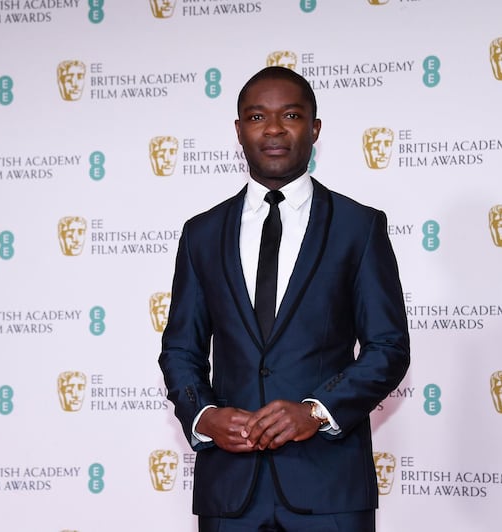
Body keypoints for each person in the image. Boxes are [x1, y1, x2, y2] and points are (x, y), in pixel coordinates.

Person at [158, 66, 410, 531]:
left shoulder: (359, 227)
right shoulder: (202, 234)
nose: (273, 128)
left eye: (290, 114)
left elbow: (389, 348)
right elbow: (180, 351)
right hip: (229, 493)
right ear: (239, 131)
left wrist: (315, 411)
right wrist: (205, 415)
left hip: (330, 488)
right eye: (257, 117)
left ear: (314, 128)